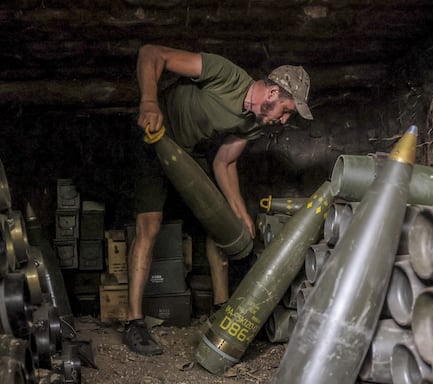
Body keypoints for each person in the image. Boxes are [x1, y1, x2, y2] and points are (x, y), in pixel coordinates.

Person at [124, 44, 313, 355]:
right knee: (150, 225)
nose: (284, 120)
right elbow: (150, 53)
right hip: (152, 139)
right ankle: (134, 322)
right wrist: (148, 101)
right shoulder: (225, 74)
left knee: (219, 225)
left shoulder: (254, 126)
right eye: (287, 110)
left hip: (187, 152)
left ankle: (221, 308)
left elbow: (224, 162)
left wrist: (239, 212)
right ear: (272, 94)